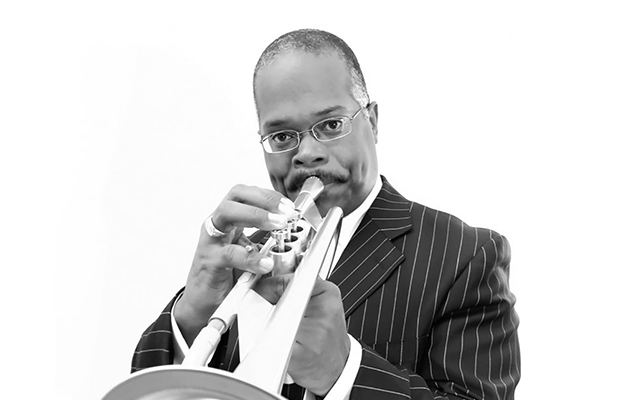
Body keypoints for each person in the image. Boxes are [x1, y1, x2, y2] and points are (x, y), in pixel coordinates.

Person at [131, 29, 520, 400]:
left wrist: (344, 371)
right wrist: (192, 317)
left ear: (372, 121)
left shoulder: (465, 255)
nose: (307, 153)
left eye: (331, 125)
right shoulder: (246, 255)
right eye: (282, 136)